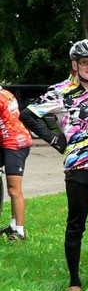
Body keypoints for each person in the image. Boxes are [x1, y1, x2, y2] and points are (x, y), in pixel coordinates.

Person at [20, 40, 88, 291]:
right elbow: (28, 114)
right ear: (75, 65)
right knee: (76, 224)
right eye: (85, 62)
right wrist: (55, 140)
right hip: (78, 166)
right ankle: (75, 283)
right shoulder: (61, 90)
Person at [0, 86, 32, 241]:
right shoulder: (6, 93)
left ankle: (20, 231)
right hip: (12, 142)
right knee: (11, 188)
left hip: (15, 144)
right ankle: (13, 225)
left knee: (14, 189)